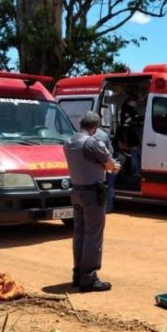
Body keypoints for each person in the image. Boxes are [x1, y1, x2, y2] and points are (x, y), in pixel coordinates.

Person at [64, 111, 120, 292]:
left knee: (79, 233)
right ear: (95, 127)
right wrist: (112, 166)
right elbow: (110, 165)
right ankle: (88, 278)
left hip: (76, 191)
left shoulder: (69, 141)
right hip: (92, 193)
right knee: (93, 236)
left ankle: (78, 273)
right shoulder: (93, 142)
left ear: (81, 123)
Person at [93, 127, 118, 214]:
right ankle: (108, 208)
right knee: (110, 186)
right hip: (106, 163)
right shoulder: (103, 135)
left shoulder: (84, 135)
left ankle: (97, 208)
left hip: (94, 166)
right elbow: (111, 150)